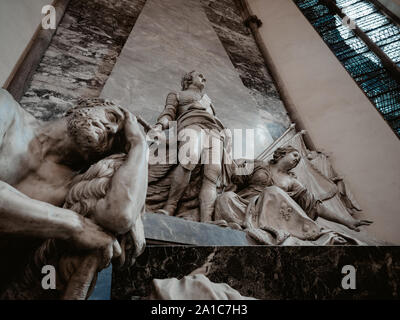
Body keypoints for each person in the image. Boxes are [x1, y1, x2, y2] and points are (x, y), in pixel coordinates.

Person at [0, 89, 147, 297]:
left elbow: (119, 216)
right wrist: (73, 225)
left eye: (118, 139)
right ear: (85, 105)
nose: (112, 129)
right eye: (113, 116)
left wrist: (139, 145)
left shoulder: (71, 190)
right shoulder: (5, 108)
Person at [215, 146, 372, 243]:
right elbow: (232, 173)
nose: (297, 160)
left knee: (273, 191)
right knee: (225, 198)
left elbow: (314, 205)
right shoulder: (258, 165)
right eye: (295, 155)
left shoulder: (292, 182)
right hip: (244, 206)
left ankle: (265, 228)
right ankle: (242, 225)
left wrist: (346, 221)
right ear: (283, 153)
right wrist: (235, 163)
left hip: (269, 214)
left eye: (298, 160)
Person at [151, 70, 231, 222]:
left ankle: (206, 218)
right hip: (191, 124)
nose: (204, 78)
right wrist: (159, 127)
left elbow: (215, 119)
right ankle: (170, 207)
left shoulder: (208, 101)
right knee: (189, 157)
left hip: (214, 131)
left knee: (213, 172)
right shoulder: (177, 94)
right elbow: (169, 113)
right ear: (188, 79)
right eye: (200, 75)